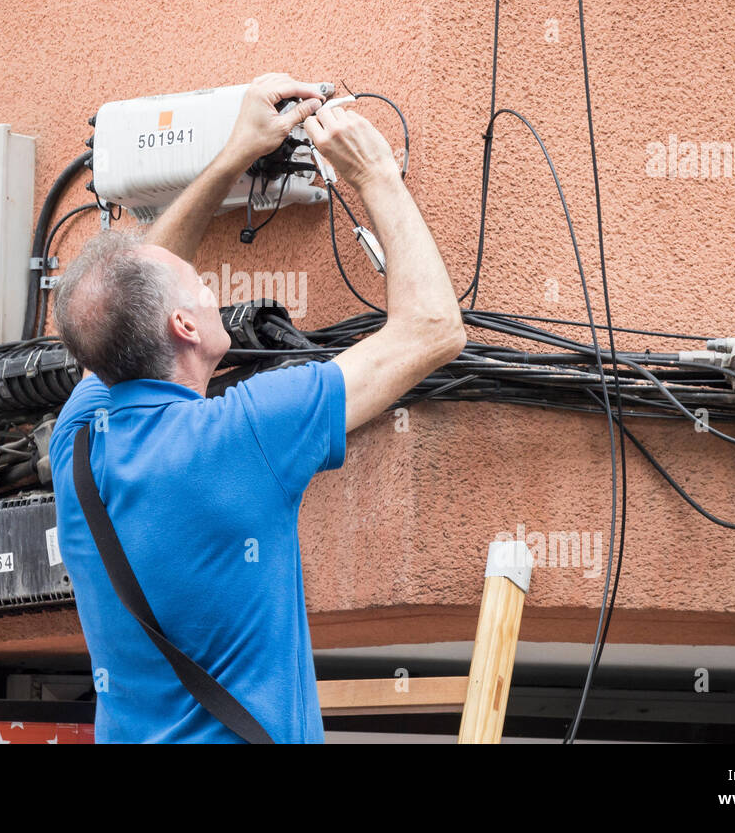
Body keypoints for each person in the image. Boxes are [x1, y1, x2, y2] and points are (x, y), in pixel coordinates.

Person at [49, 72, 465, 742]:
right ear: (185, 327)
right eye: (201, 287)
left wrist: (234, 153)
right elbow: (434, 330)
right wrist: (377, 174)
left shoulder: (76, 440)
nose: (212, 288)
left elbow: (125, 293)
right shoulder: (241, 436)